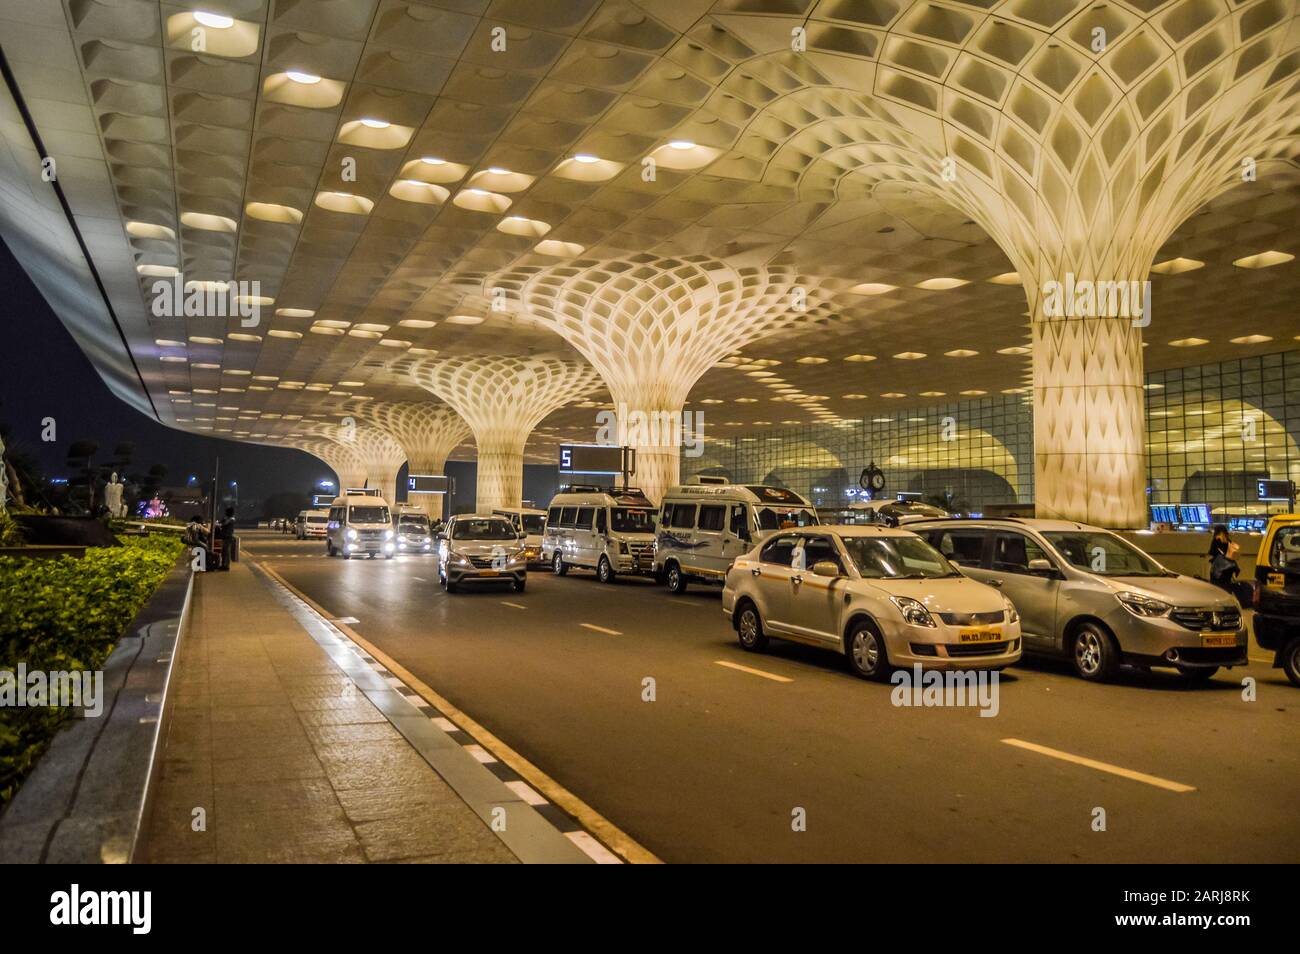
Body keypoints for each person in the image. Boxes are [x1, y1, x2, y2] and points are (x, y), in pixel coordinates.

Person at [1207, 524, 1239, 592]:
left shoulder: (1216, 540)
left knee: (1216, 587)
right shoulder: (1229, 541)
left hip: (1218, 567)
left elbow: (1211, 552)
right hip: (1228, 568)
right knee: (1227, 586)